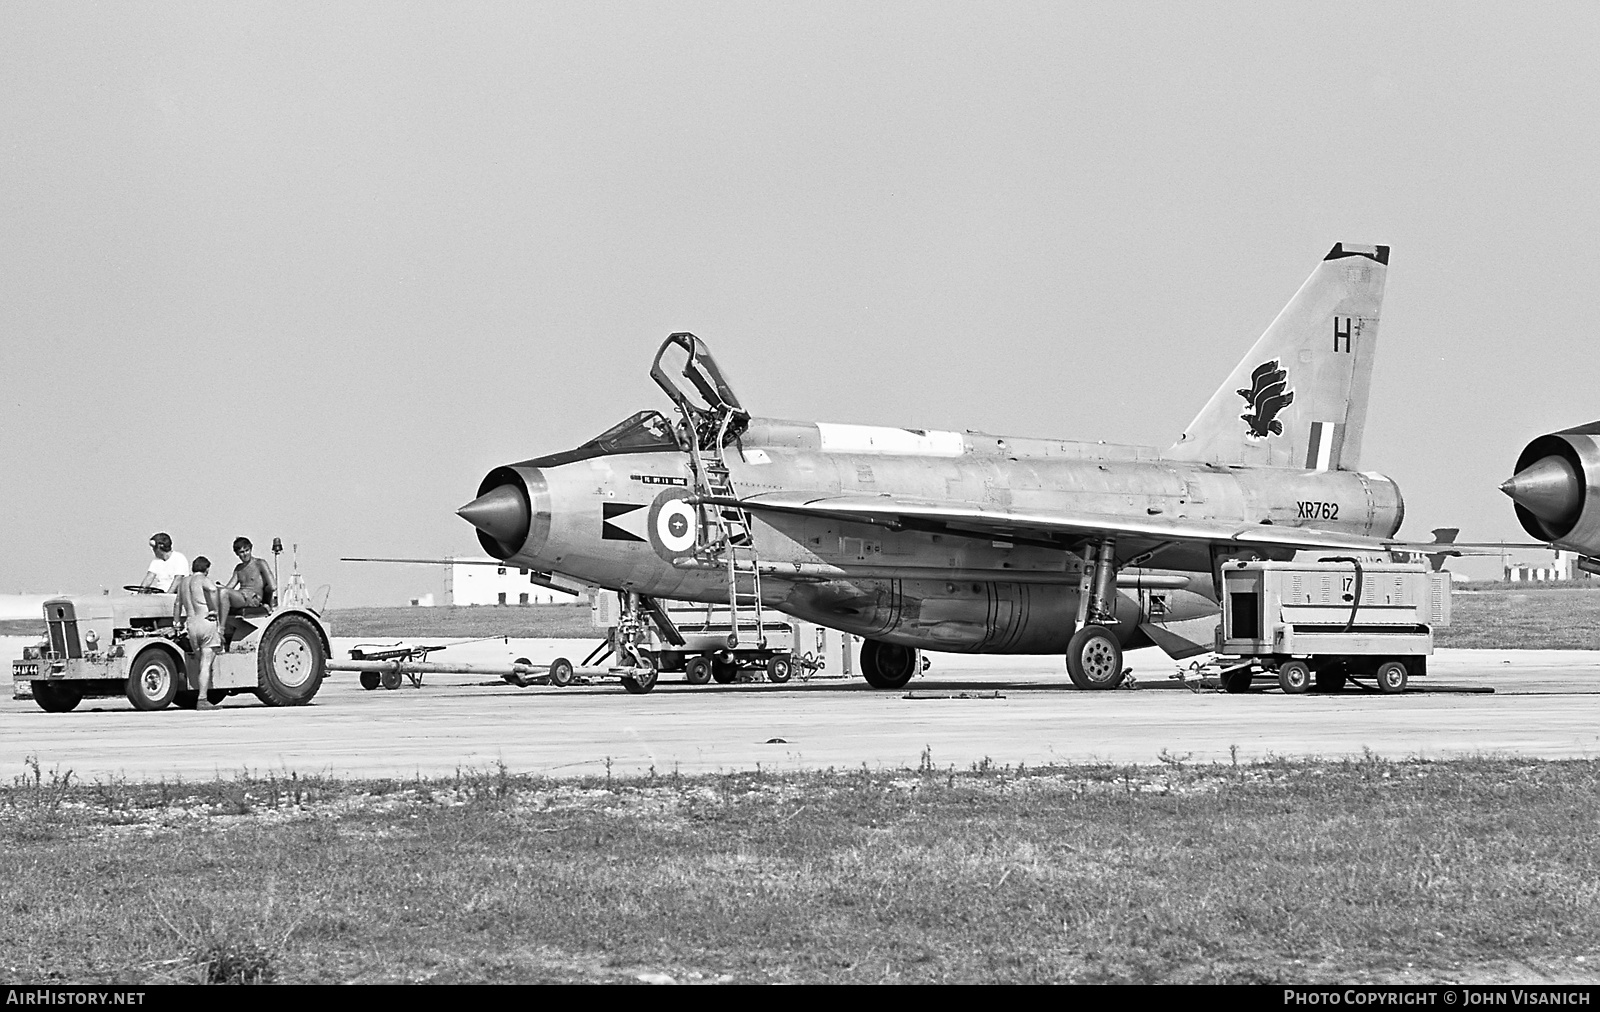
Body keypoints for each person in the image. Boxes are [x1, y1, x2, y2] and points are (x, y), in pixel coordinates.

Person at [173, 557, 221, 710]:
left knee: (200, 661)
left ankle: (200, 693)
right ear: (206, 569)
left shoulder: (183, 583)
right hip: (205, 621)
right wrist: (214, 610)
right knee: (206, 663)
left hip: (191, 624)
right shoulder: (202, 579)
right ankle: (202, 699)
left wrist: (176, 623)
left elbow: (177, 604)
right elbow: (213, 589)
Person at [217, 537, 276, 647]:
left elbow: (273, 586)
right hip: (241, 596)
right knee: (218, 592)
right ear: (237, 554)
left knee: (224, 593)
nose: (244, 554)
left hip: (252, 598)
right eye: (241, 552)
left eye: (246, 550)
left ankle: (221, 630)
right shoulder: (239, 568)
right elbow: (229, 587)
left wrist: (266, 599)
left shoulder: (260, 563)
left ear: (251, 549)